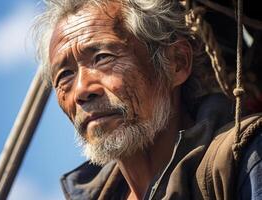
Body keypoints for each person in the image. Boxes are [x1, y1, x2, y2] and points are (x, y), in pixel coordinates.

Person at [33, 0, 262, 199]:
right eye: (65, 75)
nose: (82, 90)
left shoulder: (244, 159)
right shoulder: (95, 194)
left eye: (102, 58)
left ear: (177, 63)